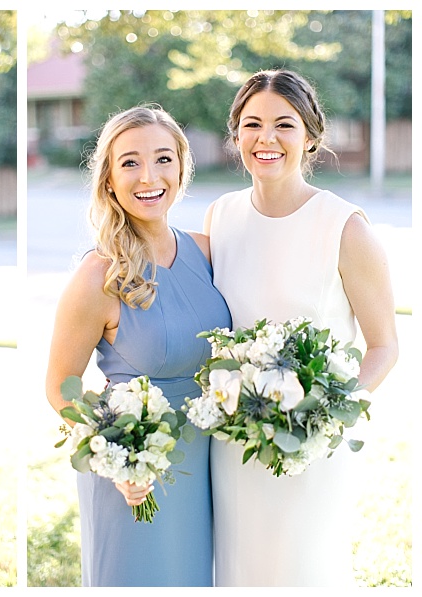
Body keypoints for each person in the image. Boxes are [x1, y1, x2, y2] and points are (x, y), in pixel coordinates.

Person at [205, 69, 399, 587]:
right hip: (232, 446)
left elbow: (384, 345)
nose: (266, 139)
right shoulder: (219, 216)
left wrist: (324, 418)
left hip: (310, 449)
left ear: (310, 136)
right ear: (236, 136)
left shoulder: (345, 226)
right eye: (252, 125)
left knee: (302, 571)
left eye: (284, 125)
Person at [45, 105, 231, 587]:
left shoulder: (207, 251)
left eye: (163, 159)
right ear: (108, 178)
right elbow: (60, 386)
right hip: (137, 472)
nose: (149, 176)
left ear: (182, 168)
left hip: (209, 459)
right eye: (129, 162)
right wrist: (116, 460)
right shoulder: (97, 276)